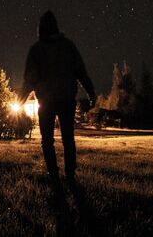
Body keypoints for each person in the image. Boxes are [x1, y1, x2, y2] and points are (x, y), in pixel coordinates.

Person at [18, 10, 96, 184]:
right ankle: (70, 174)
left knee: (47, 141)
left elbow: (29, 80)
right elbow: (81, 72)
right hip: (67, 99)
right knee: (68, 139)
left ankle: (53, 174)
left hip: (46, 101)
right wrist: (91, 93)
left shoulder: (36, 50)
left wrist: (20, 100)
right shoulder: (68, 46)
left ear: (41, 28)